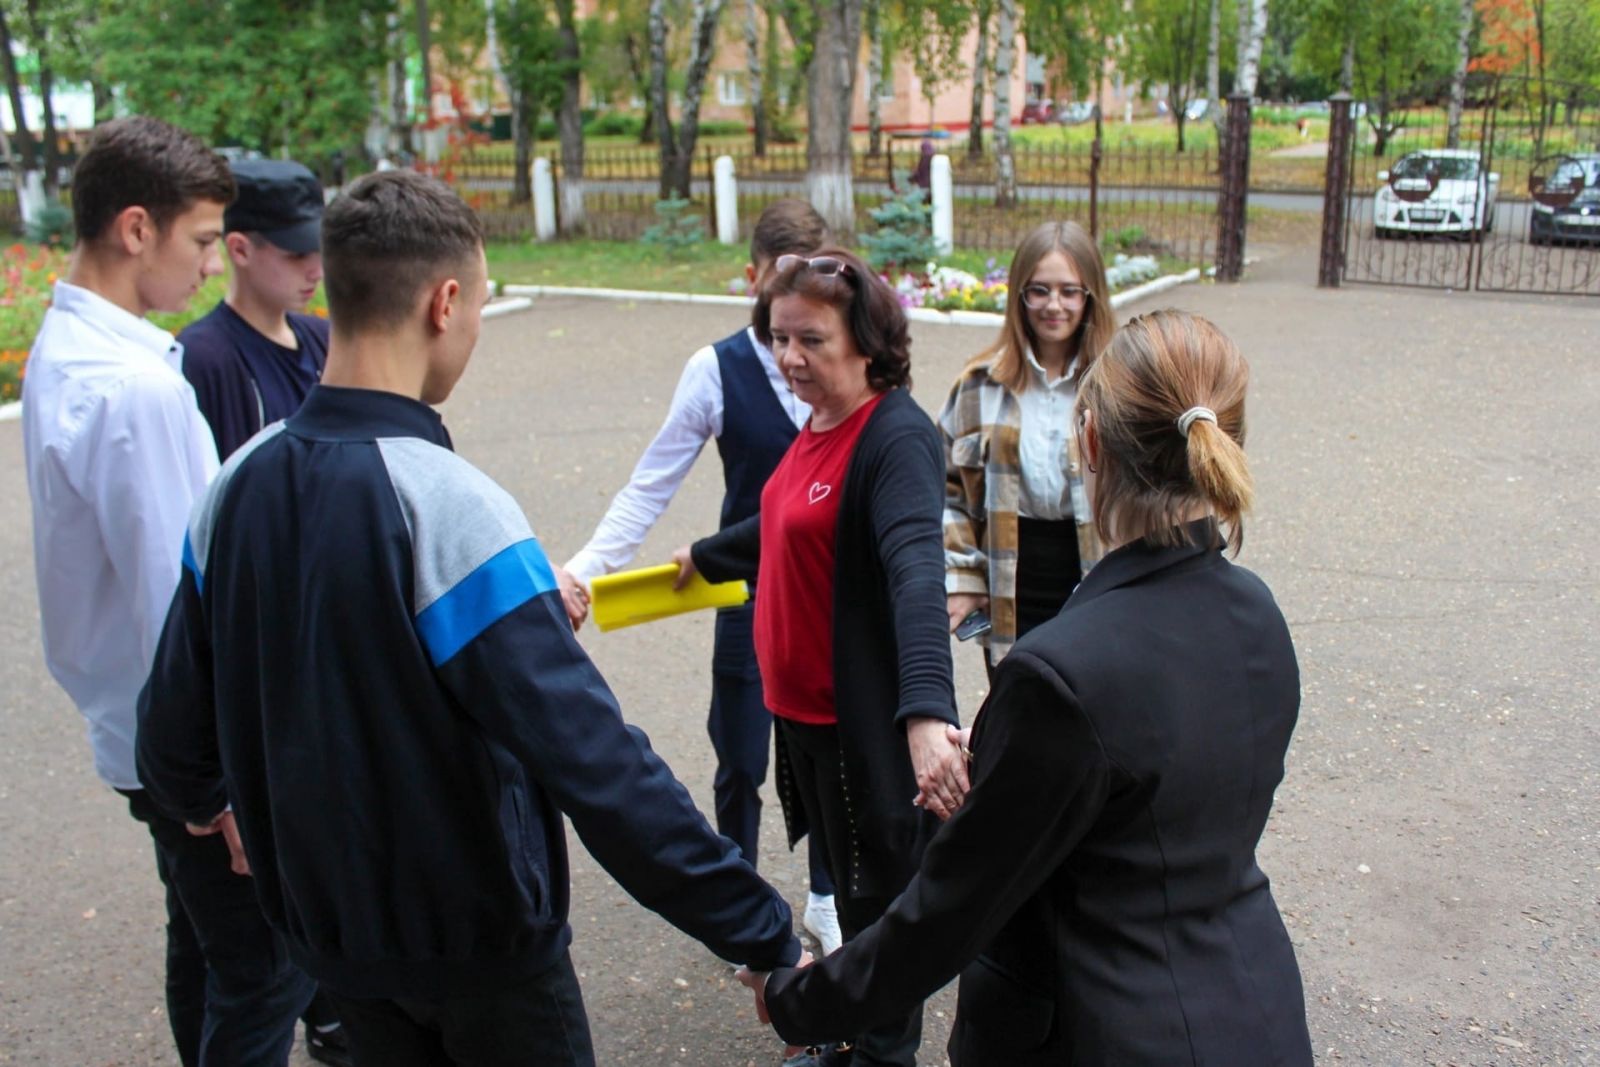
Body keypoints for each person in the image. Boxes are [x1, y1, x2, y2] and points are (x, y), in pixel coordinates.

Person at [134, 170, 805, 1067]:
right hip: (486, 959)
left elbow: (170, 744)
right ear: (445, 303)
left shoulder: (232, 488)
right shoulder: (450, 508)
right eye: (481, 305)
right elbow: (598, 764)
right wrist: (762, 931)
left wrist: (232, 813)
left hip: (336, 953)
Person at [747, 310, 1314, 1067]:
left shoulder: (1061, 672)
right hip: (1255, 1008)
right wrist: (1002, 781)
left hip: (1099, 1031)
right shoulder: (1257, 614)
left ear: (1090, 443)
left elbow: (949, 912)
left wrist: (796, 997)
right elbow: (1156, 809)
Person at [20, 117, 317, 1066]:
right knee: (266, 976)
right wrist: (223, 783)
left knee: (204, 944)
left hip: (140, 733)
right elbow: (178, 599)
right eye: (201, 241)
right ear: (136, 228)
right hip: (193, 747)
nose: (210, 265)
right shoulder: (134, 389)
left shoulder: (71, 347)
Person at [675, 248, 967, 1067]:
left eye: (811, 339)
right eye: (778, 338)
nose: (790, 357)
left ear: (867, 342)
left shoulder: (894, 436)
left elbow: (916, 571)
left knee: (880, 909)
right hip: (802, 722)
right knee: (850, 892)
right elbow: (782, 521)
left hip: (855, 730)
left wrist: (926, 713)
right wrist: (704, 556)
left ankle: (881, 1054)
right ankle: (849, 1039)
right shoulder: (819, 422)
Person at [562, 199, 842, 955]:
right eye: (781, 280)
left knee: (830, 754)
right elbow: (649, 485)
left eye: (814, 279)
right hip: (746, 593)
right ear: (752, 278)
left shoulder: (846, 362)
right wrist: (585, 569)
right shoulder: (715, 370)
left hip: (828, 595)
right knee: (740, 756)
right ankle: (740, 903)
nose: (796, 301)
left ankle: (826, 896)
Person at [940, 221, 1115, 671]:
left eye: (1069, 291)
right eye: (1039, 290)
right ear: (1019, 295)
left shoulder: (1119, 386)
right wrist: (963, 575)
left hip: (1099, 584)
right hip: (1009, 590)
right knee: (1017, 705)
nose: (1054, 305)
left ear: (1091, 296)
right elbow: (945, 491)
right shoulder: (979, 386)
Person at [179, 159, 330, 461]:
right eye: (298, 255)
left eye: (321, 250)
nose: (317, 272)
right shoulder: (203, 359)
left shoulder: (325, 338)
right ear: (239, 249)